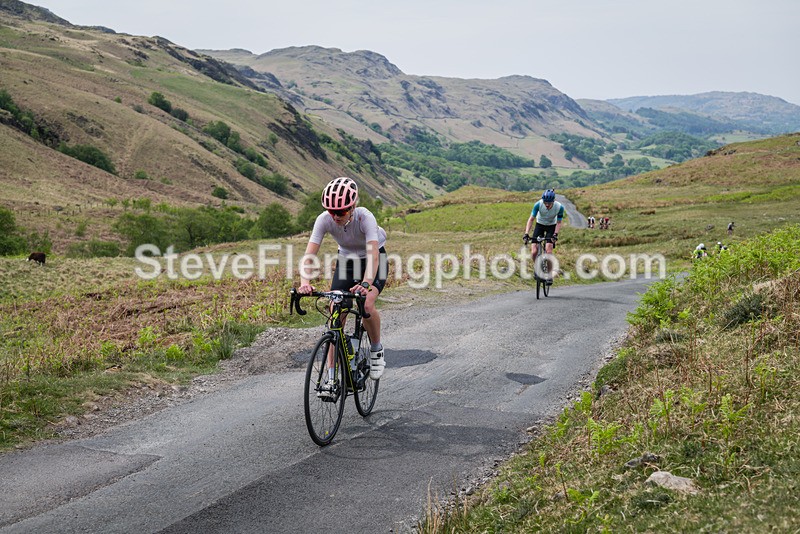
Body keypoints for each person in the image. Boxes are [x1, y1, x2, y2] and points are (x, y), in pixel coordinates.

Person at [298, 177, 388, 395]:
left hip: (373, 260)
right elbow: (310, 254)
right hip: (347, 261)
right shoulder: (324, 220)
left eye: (341, 212)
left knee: (366, 305)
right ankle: (331, 378)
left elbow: (374, 255)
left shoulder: (365, 217)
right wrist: (305, 283)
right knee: (335, 312)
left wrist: (366, 283)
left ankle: (376, 350)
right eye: (331, 211)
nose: (335, 216)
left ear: (352, 207)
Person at [523, 189, 564, 284]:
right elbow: (531, 219)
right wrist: (526, 233)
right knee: (534, 252)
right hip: (539, 225)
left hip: (551, 226)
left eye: (549, 203)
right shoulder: (538, 204)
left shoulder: (559, 207)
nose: (547, 205)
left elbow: (559, 222)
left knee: (549, 252)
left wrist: (555, 235)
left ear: (553, 201)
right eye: (545, 202)